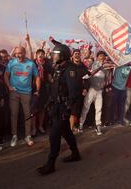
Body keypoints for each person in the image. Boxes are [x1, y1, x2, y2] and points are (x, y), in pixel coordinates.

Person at [37, 43, 81, 176]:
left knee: (54, 134)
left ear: (63, 56)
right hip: (56, 105)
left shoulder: (70, 70)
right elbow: (55, 88)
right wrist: (50, 101)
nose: (53, 57)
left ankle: (50, 164)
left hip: (64, 107)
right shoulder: (58, 68)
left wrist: (68, 109)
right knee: (66, 131)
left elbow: (74, 92)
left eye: (56, 55)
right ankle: (75, 154)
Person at [4, 46, 40, 147]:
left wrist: (37, 90)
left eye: (20, 53)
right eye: (16, 53)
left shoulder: (31, 64)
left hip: (26, 93)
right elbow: (6, 75)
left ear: (24, 53)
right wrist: (9, 86)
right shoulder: (11, 63)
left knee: (27, 114)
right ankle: (14, 135)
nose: (18, 55)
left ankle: (28, 136)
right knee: (14, 114)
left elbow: (37, 77)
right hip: (14, 93)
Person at [78, 51, 108, 135]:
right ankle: (80, 125)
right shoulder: (92, 64)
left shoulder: (104, 68)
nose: (102, 57)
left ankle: (98, 126)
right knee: (86, 108)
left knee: (99, 109)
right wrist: (99, 67)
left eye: (104, 56)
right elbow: (88, 74)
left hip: (99, 91)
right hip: (91, 89)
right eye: (101, 56)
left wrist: (103, 84)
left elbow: (105, 79)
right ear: (97, 57)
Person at [69, 49, 89, 131]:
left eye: (78, 54)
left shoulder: (83, 67)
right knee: (71, 112)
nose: (77, 55)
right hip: (69, 93)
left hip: (79, 93)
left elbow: (87, 79)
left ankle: (74, 126)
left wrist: (85, 89)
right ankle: (70, 129)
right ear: (72, 56)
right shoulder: (68, 66)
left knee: (77, 111)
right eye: (75, 54)